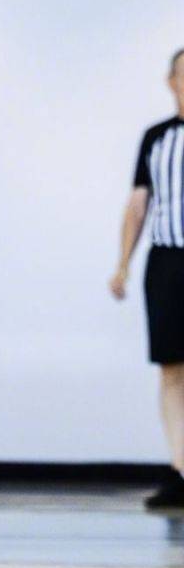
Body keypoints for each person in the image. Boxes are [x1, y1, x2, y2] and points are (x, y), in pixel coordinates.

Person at [110, 48, 184, 509]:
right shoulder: (157, 138)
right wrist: (123, 263)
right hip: (168, 263)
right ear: (171, 81)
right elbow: (138, 204)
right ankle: (181, 470)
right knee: (172, 369)